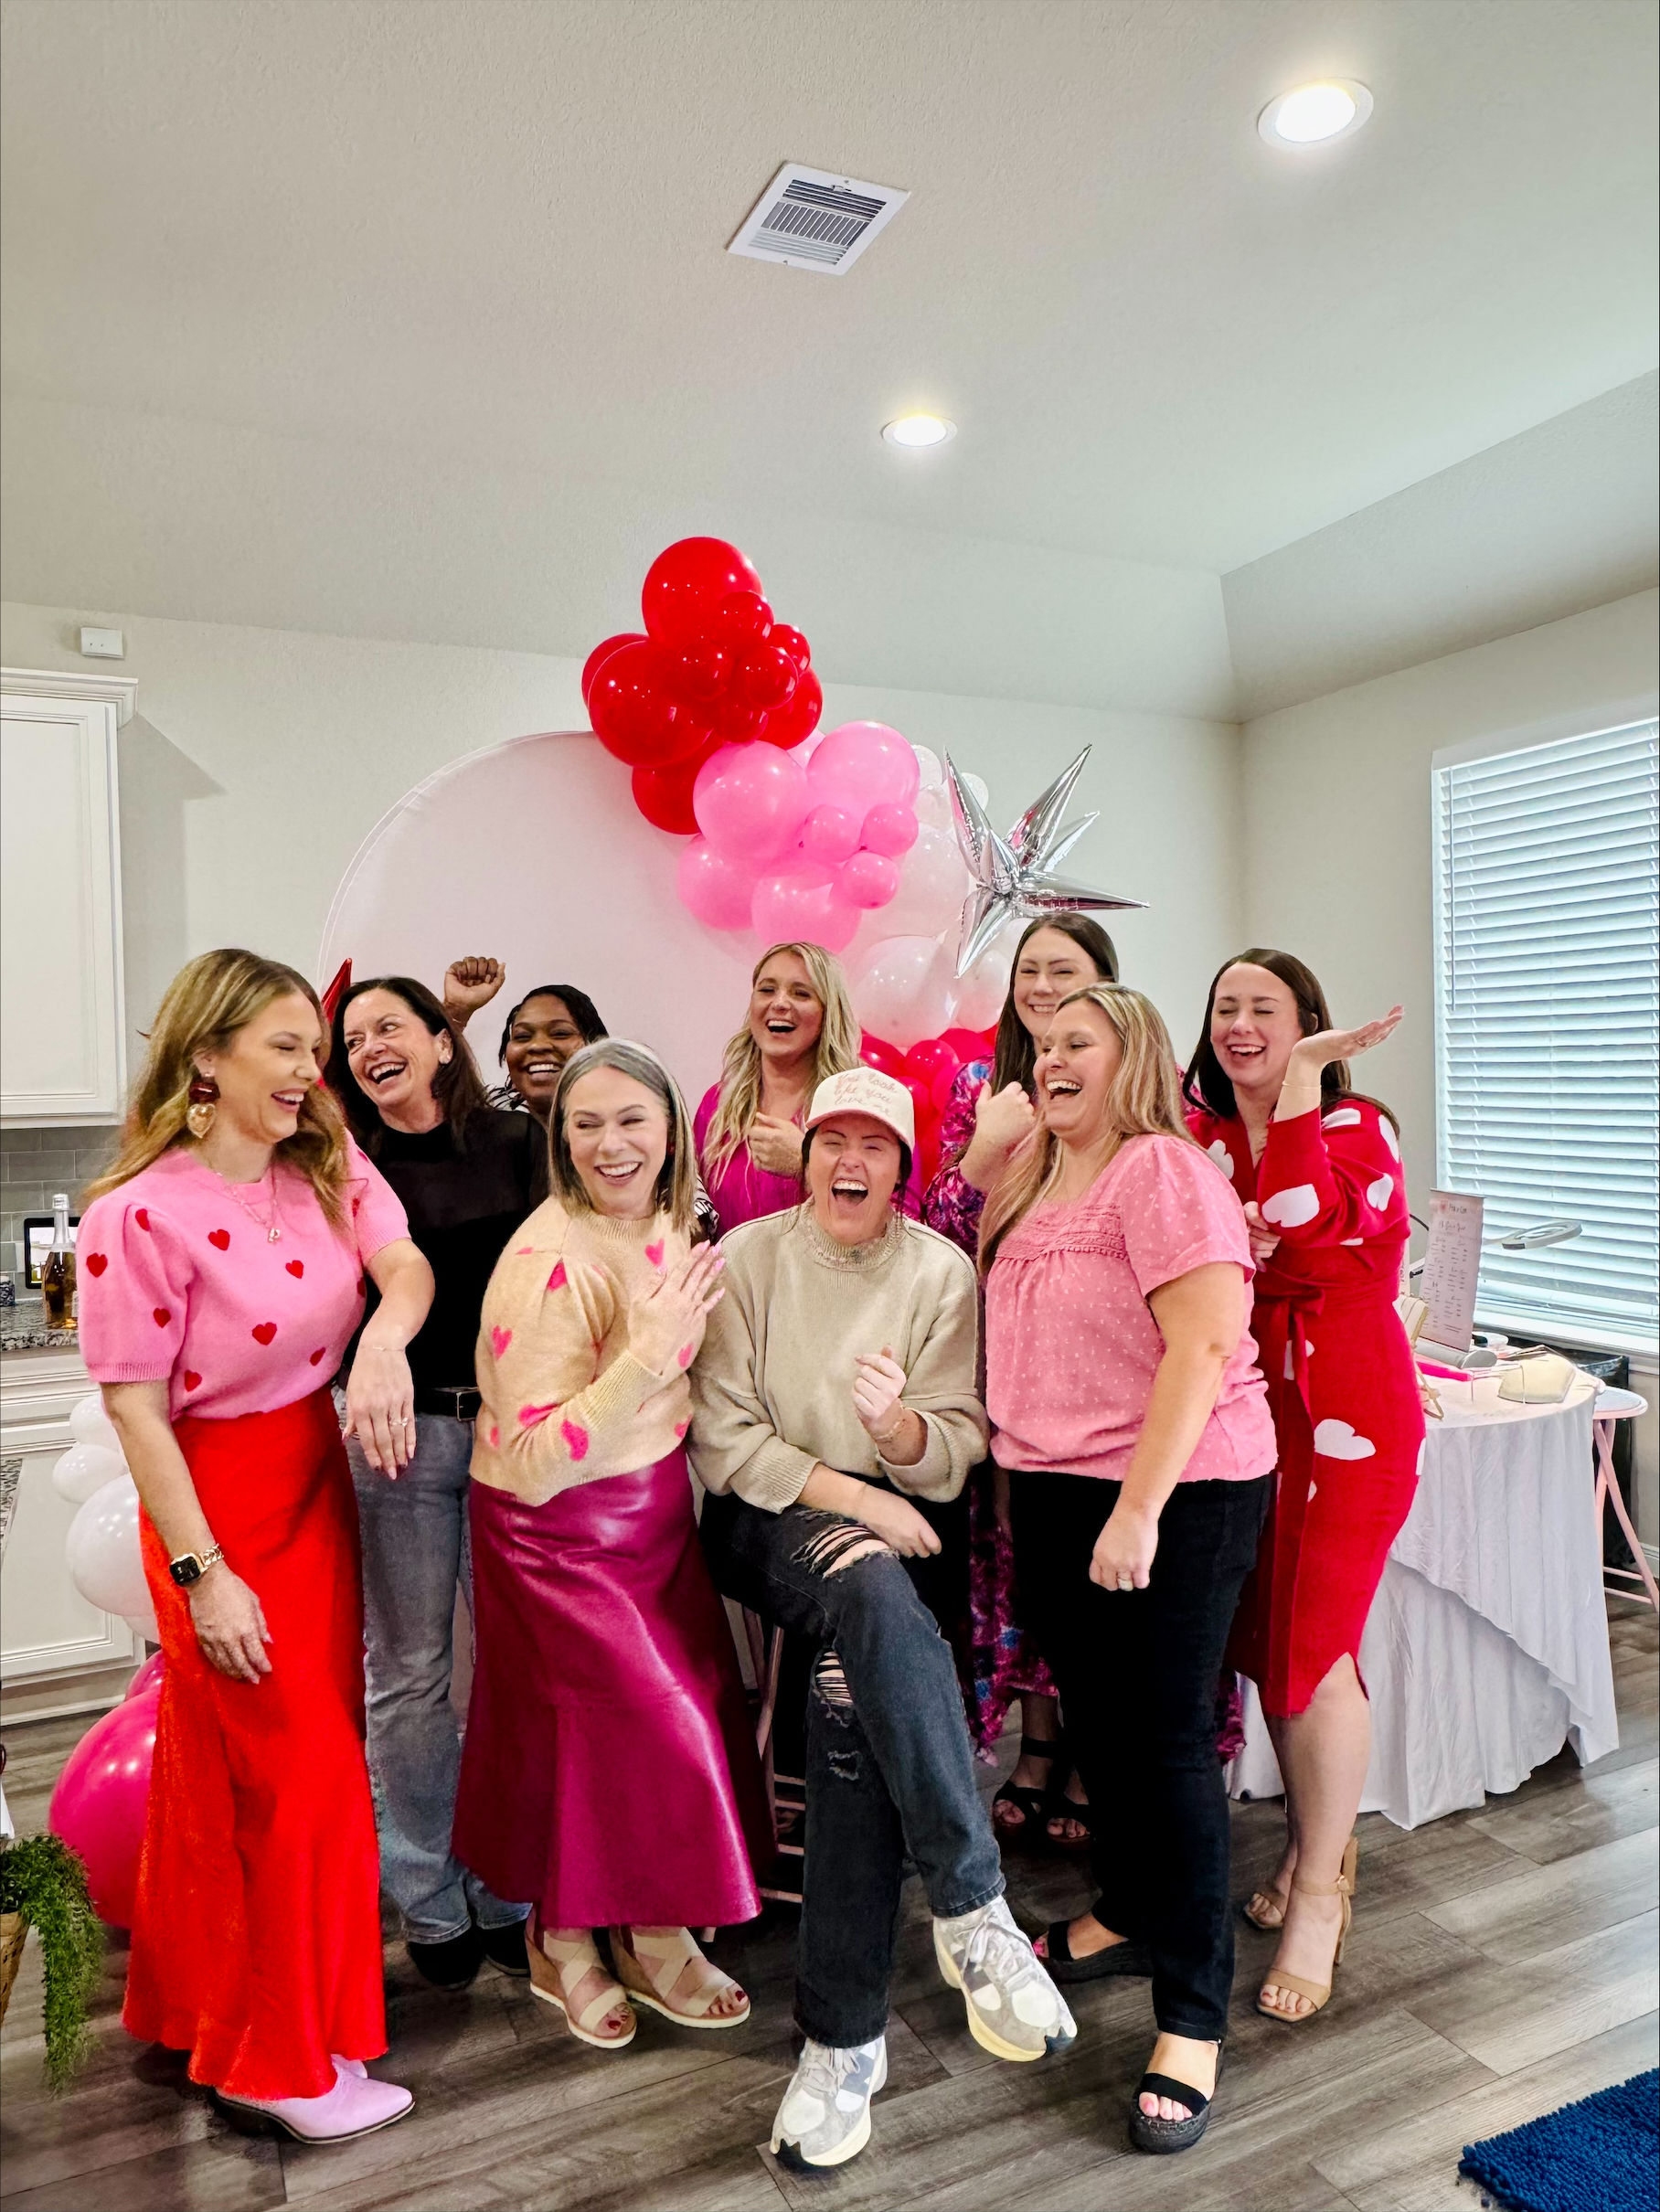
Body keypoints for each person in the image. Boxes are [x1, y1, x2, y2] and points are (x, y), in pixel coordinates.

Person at [77, 949, 434, 2143]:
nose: (308, 1070)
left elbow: (405, 1265)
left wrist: (385, 1340)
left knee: (238, 1777)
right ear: (207, 1058)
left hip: (313, 1482)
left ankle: (209, 2016)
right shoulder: (136, 1215)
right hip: (212, 1506)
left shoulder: (323, 1165)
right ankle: (275, 2061)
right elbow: (136, 1410)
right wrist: (203, 1575)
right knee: (306, 1779)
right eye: (284, 1047)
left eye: (312, 1049)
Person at [690, 1066, 1076, 2172]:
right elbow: (725, 1440)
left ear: (904, 1169)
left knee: (847, 1694)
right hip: (771, 1516)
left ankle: (841, 2042)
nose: (848, 1161)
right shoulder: (752, 1261)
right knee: (864, 1582)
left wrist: (901, 1429)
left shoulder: (939, 1270)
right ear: (803, 1155)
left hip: (899, 1537)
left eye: (873, 1146)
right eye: (830, 1142)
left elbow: (952, 1452)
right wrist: (857, 1492)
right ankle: (972, 1906)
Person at [982, 984, 1276, 2154]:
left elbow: (1204, 1339)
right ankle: (1128, 1908)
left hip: (1173, 1489)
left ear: (1132, 1056)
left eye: (1075, 1045)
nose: (1050, 1061)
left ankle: (1193, 2013)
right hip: (1055, 1489)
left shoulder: (1159, 1168)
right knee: (1101, 1734)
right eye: (1040, 1045)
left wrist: (1139, 1507)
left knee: (1157, 1745)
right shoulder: (1034, 1175)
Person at [454, 1040, 768, 2047]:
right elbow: (540, 1455)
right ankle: (565, 1936)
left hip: (653, 1516)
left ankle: (645, 1923)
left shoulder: (675, 1222)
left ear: (672, 1126)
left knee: (638, 1733)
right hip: (555, 1533)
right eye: (583, 1123)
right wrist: (647, 1355)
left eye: (631, 1117)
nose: (608, 1142)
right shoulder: (548, 1262)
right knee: (611, 1729)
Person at [1184, 950, 1420, 2027]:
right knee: (1268, 1639)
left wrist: (1306, 1085)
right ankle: (1314, 1844)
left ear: (1309, 1026)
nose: (1239, 1024)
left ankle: (1320, 1891)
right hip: (1241, 1416)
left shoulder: (1354, 1128)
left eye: (1265, 1010)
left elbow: (1294, 1213)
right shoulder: (1195, 1138)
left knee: (1311, 1646)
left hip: (1349, 1420)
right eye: (1225, 1006)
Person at [332, 975, 540, 1987]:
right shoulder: (344, 1168)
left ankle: (506, 1882)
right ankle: (424, 1891)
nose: (372, 1044)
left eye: (390, 1026)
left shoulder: (517, 1142)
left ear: (441, 1041)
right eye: (353, 1035)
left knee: (508, 1664)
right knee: (409, 1670)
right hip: (395, 1439)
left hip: (506, 1432)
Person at [923, 913, 1119, 1844]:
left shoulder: (1132, 1093)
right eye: (1028, 970)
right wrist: (981, 1150)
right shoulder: (979, 1086)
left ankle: (1087, 1745)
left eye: (1064, 970)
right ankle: (1037, 1746)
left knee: (1093, 1563)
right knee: (1020, 1559)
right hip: (1006, 1364)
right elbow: (939, 1231)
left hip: (1107, 1372)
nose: (1041, 985)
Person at [696, 940, 920, 1235]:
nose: (779, 1003)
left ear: (828, 1012)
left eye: (801, 993)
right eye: (767, 990)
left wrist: (806, 1166)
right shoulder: (717, 1105)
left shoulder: (869, 1104)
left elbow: (907, 1227)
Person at [441, 957, 609, 1122]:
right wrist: (456, 1011)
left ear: (595, 1047)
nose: (537, 1045)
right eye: (522, 1036)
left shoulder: (624, 1117)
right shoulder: (487, 1115)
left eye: (560, 1033)